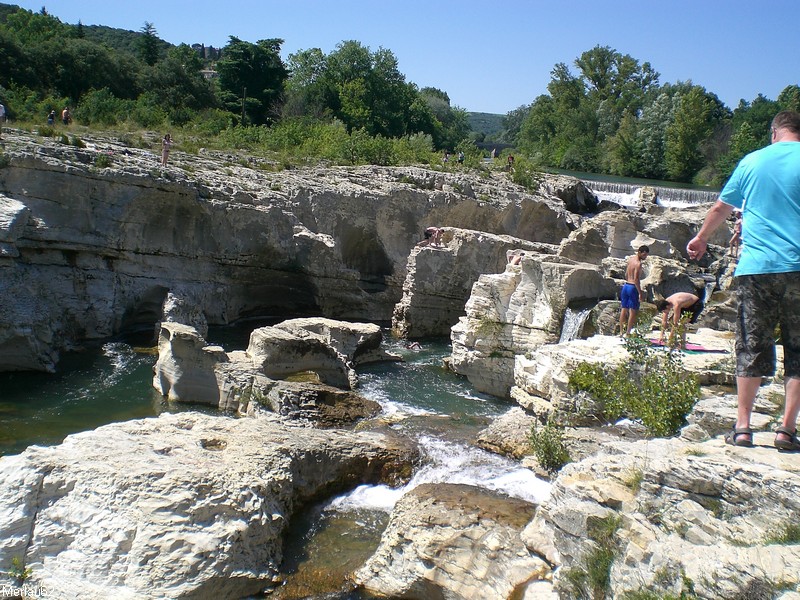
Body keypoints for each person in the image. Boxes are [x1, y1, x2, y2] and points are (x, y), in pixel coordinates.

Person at [686, 110, 800, 451]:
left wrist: (702, 238)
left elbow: (721, 208)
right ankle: (786, 430)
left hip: (757, 268)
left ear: (774, 131)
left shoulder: (752, 162)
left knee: (750, 344)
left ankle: (744, 427)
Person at [618, 245, 649, 336]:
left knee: (624, 308)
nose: (645, 257)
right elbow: (636, 279)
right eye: (644, 255)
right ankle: (627, 332)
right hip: (632, 287)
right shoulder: (638, 264)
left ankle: (621, 331)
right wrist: (640, 292)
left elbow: (627, 274)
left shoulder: (630, 260)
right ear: (639, 252)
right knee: (633, 311)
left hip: (626, 285)